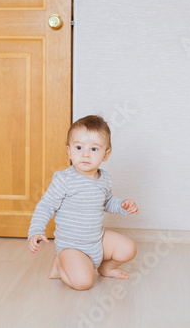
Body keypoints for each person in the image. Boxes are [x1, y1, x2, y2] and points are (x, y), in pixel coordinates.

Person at [27, 115, 139, 290]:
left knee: (128, 248)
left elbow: (107, 202)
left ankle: (106, 268)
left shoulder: (104, 179)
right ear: (69, 151)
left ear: (106, 154)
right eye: (79, 147)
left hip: (96, 239)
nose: (85, 154)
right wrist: (36, 229)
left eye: (94, 149)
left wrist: (123, 204)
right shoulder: (64, 179)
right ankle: (60, 264)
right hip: (72, 246)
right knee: (83, 283)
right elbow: (46, 205)